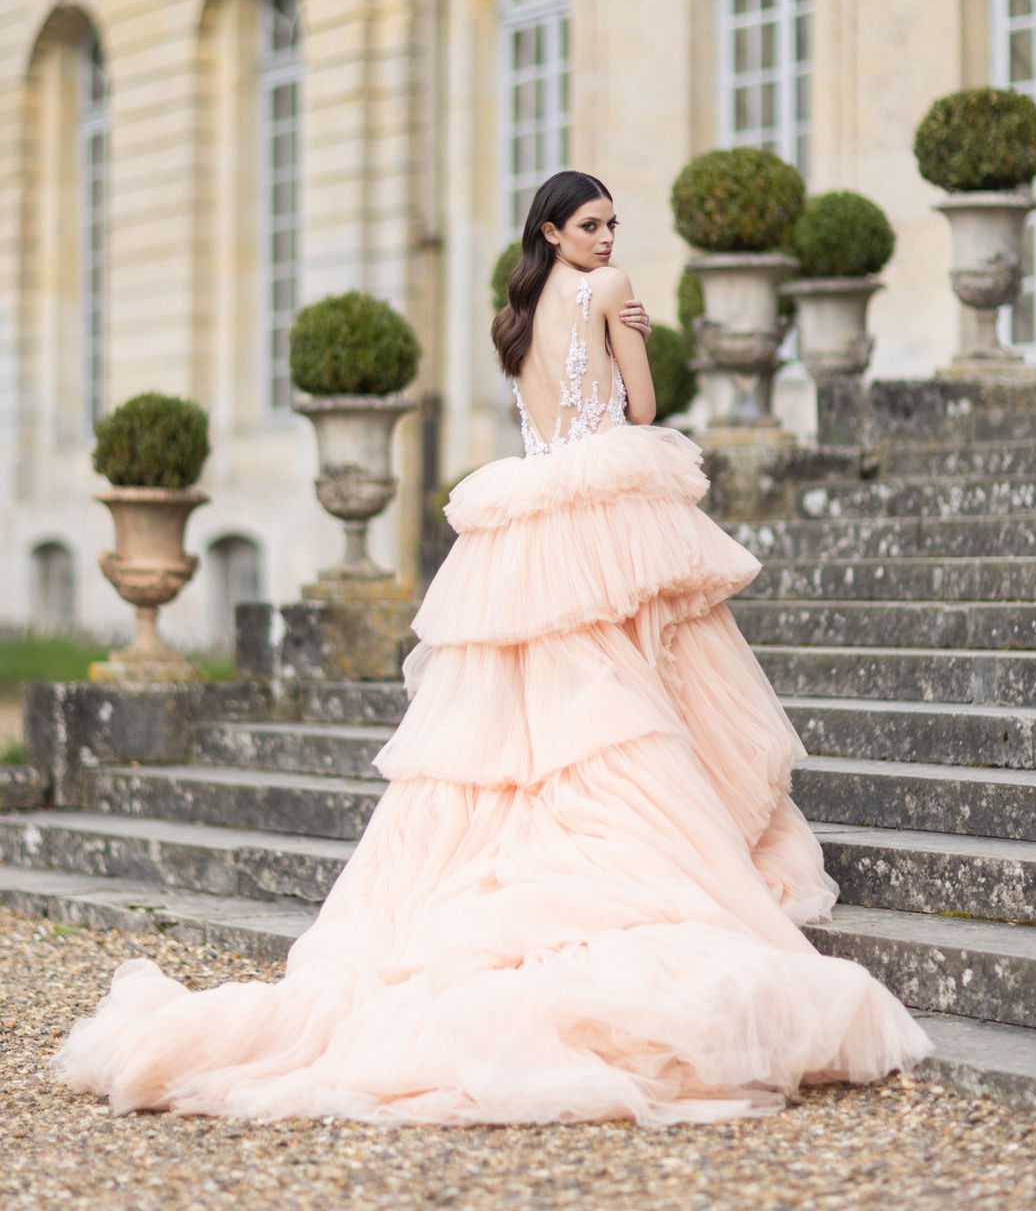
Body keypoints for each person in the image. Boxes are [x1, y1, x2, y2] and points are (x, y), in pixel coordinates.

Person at [48, 169, 933, 1126]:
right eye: (589, 224)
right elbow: (637, 410)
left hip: (532, 509)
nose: (604, 236)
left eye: (610, 224)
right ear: (552, 231)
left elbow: (542, 418)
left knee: (554, 703)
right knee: (639, 679)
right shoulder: (605, 288)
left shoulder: (513, 315)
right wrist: (633, 337)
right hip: (598, 504)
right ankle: (650, 849)